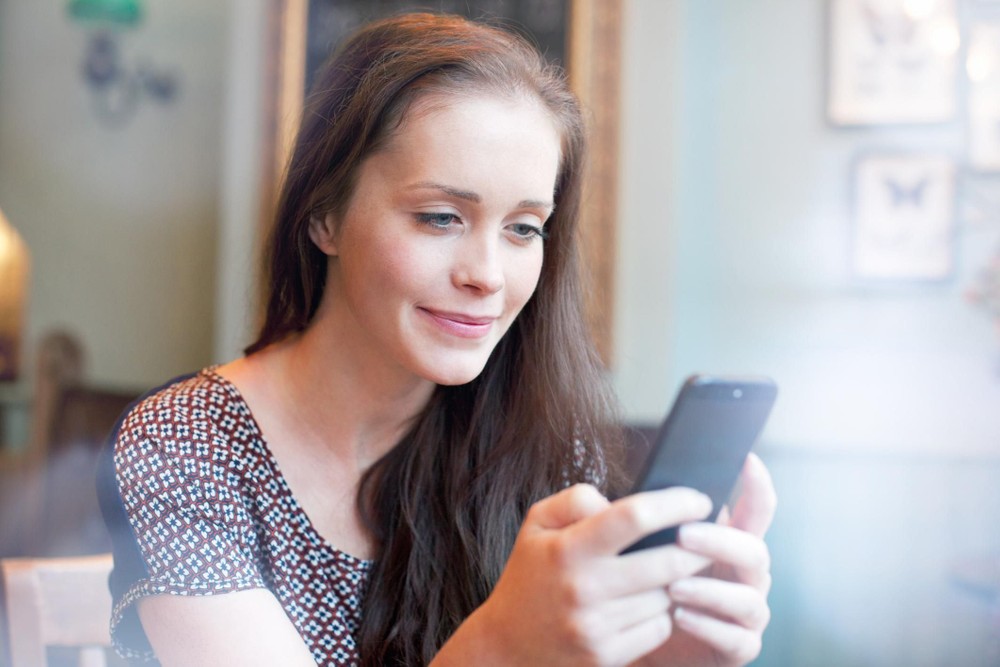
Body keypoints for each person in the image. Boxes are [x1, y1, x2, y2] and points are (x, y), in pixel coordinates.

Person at [98, 12, 776, 667]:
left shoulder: (544, 447)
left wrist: (653, 660)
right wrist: (506, 643)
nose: (487, 275)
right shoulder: (186, 445)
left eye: (523, 228)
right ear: (324, 216)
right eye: (441, 217)